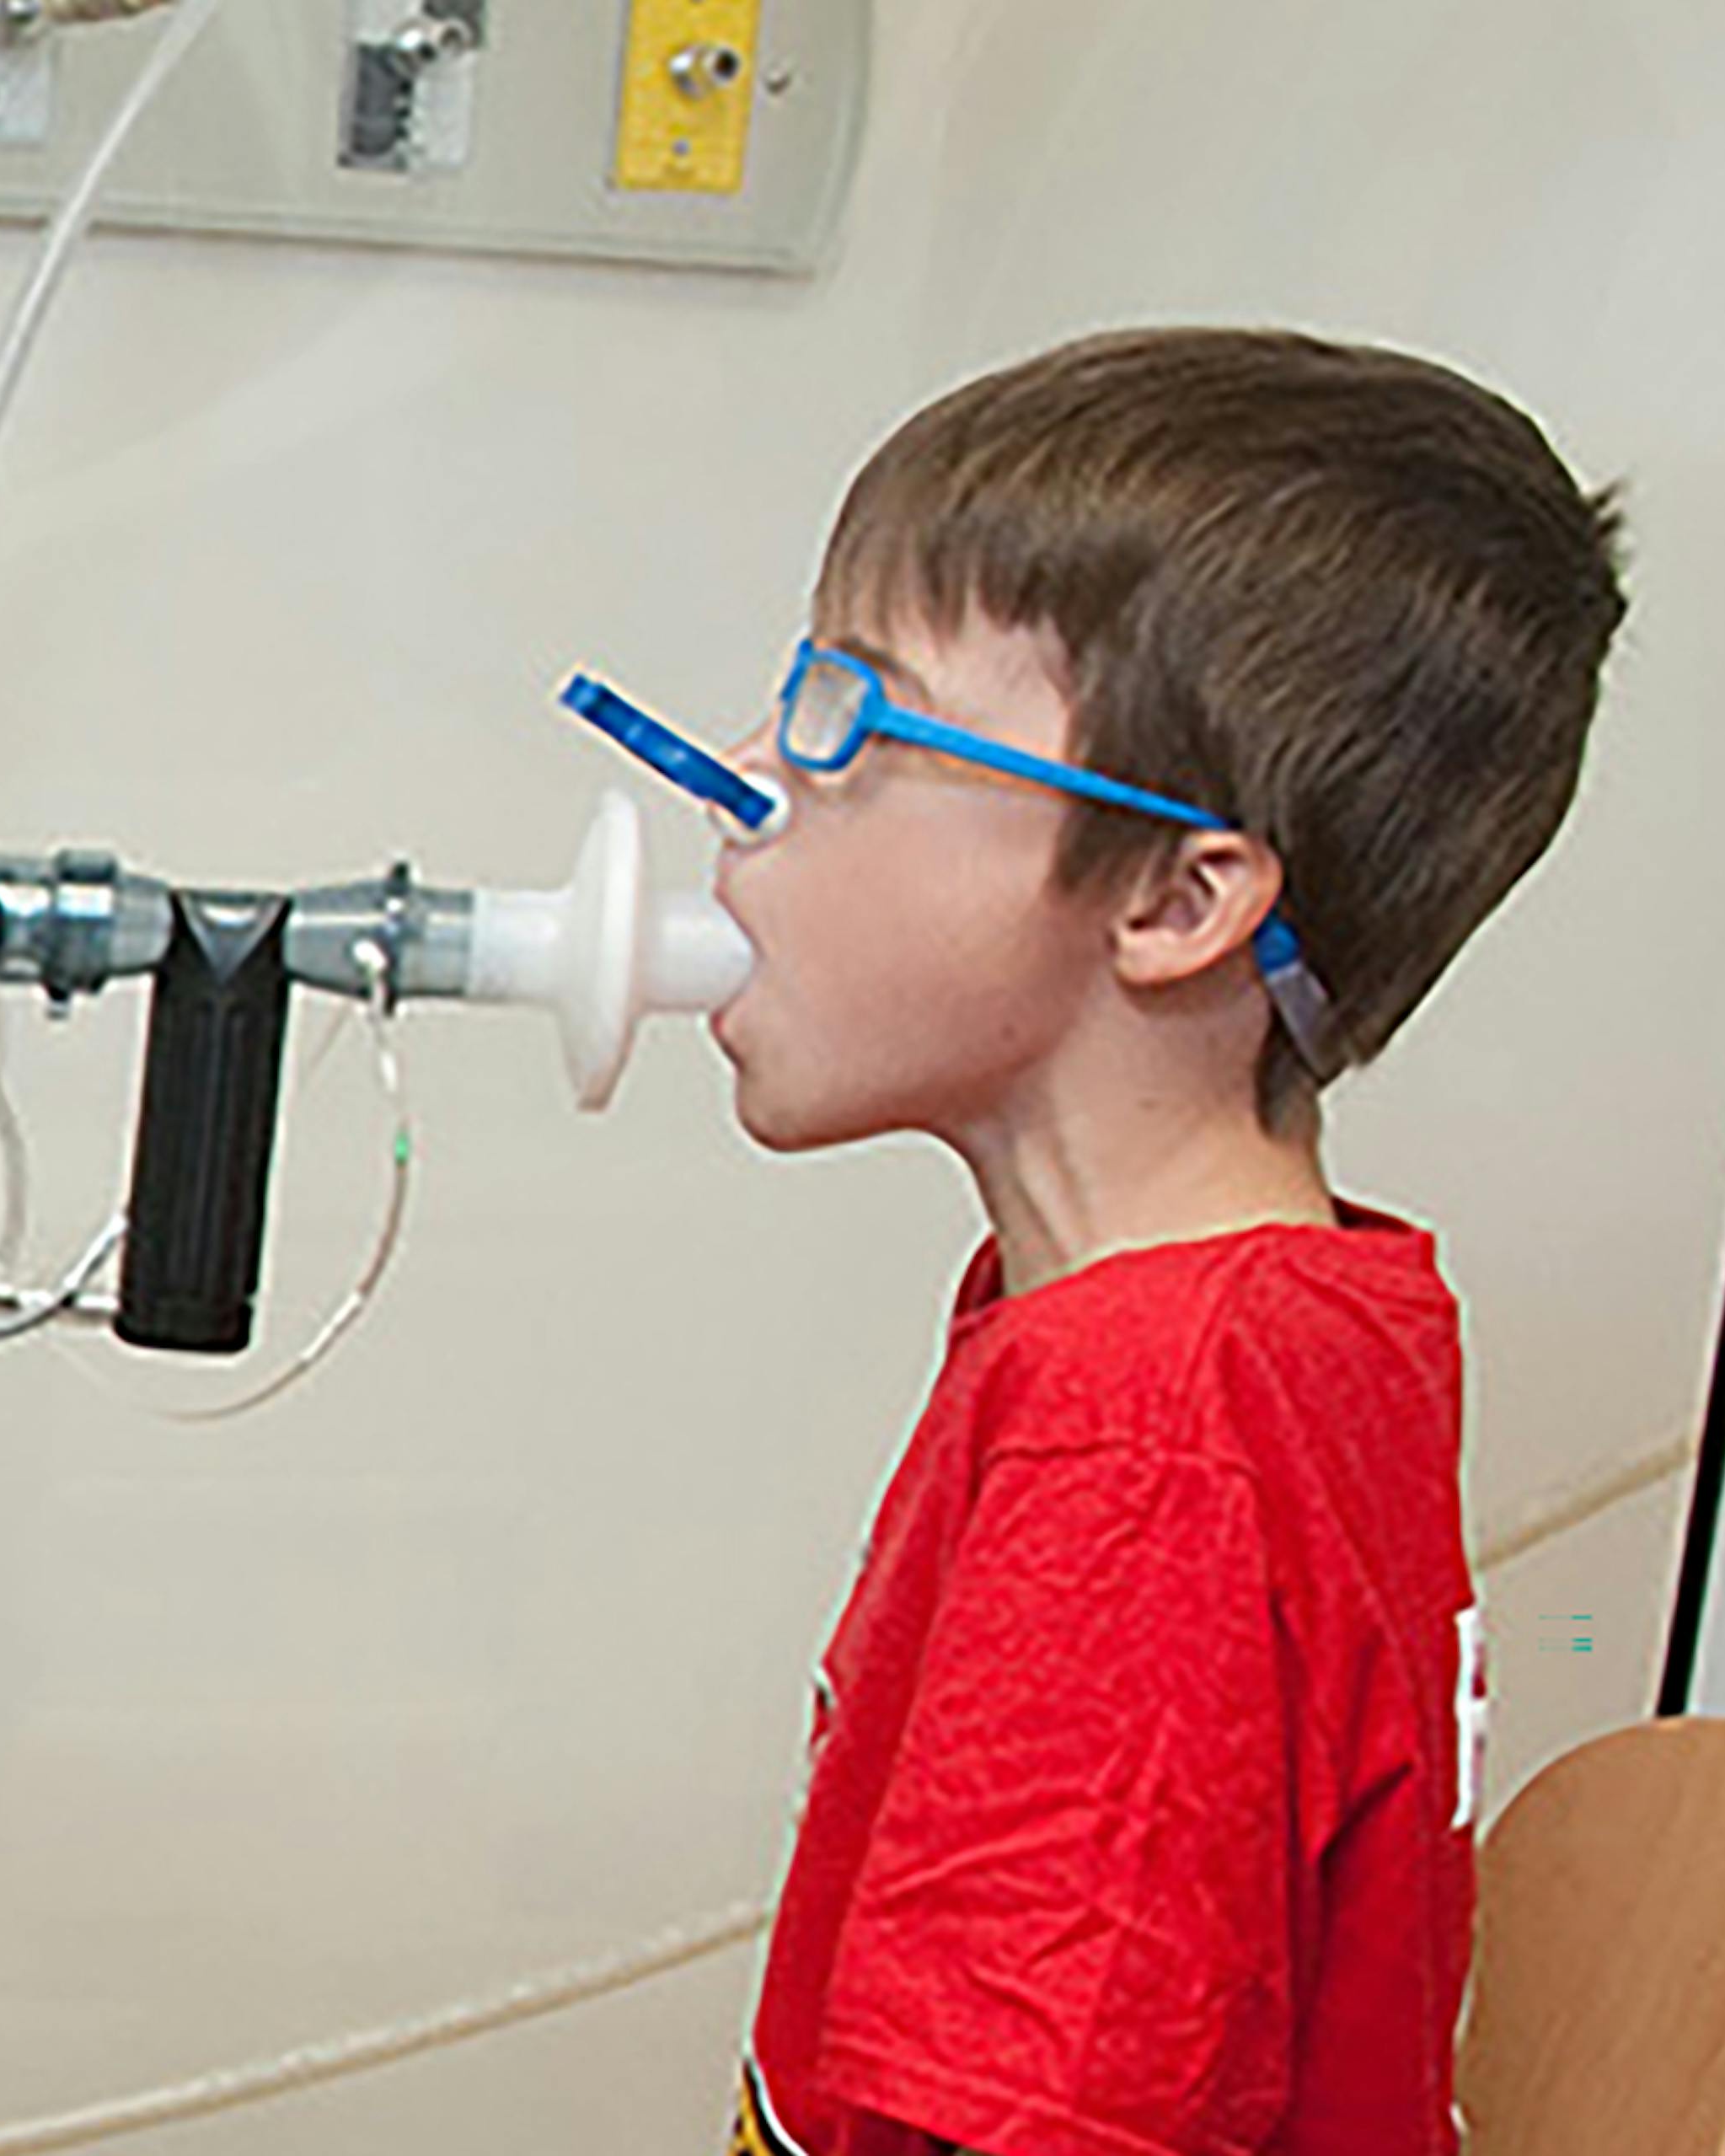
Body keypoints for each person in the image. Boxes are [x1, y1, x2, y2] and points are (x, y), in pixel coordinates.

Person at [704, 328, 1626, 2154]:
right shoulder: (1285, 1324)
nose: (748, 775)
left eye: (849, 720)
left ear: (1173, 895)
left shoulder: (1144, 1434)